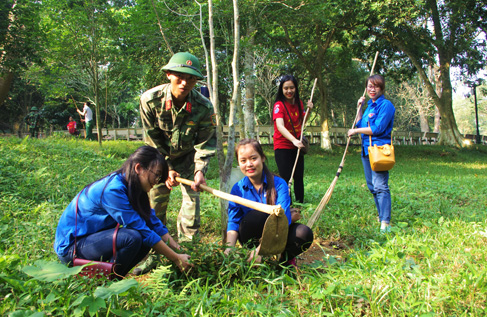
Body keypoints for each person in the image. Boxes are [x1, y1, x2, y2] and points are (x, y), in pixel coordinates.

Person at [54, 146, 192, 278]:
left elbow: (151, 220)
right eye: (156, 175)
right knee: (133, 237)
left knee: (144, 240)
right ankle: (106, 282)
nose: (156, 182)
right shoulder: (113, 190)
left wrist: (175, 247)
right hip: (71, 248)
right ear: (139, 168)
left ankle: (113, 278)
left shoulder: (133, 186)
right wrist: (176, 258)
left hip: (90, 240)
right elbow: (141, 229)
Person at [139, 52, 216, 273]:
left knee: (191, 208)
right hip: (156, 160)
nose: (185, 83)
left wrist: (200, 170)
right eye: (180, 76)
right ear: (169, 74)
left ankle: (190, 258)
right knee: (154, 208)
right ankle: (152, 255)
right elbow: (152, 140)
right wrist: (166, 168)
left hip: (189, 160)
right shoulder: (150, 100)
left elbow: (205, 143)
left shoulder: (204, 107)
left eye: (191, 78)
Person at [225, 139, 314, 266]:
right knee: (255, 216)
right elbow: (233, 222)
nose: (249, 164)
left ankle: (283, 260)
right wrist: (229, 249)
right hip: (251, 236)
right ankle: (253, 255)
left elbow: (283, 220)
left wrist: (261, 250)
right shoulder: (237, 189)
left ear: (262, 158)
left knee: (303, 233)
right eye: (243, 161)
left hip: (277, 232)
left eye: (253, 158)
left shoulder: (279, 184)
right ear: (239, 163)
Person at [347, 75, 395, 232]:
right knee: (372, 186)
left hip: (379, 150)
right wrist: (359, 108)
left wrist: (355, 131)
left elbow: (378, 129)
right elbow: (361, 123)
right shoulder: (369, 107)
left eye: (376, 86)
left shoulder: (386, 106)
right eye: (369, 86)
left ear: (381, 88)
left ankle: (385, 223)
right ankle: (381, 217)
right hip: (366, 150)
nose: (372, 89)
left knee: (380, 186)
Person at [272, 75, 313, 205]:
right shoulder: (279, 105)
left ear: (295, 88)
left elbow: (302, 122)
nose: (289, 91)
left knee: (298, 176)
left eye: (291, 88)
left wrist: (309, 110)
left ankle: (300, 202)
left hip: (297, 146)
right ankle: (286, 204)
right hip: (282, 146)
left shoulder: (299, 103)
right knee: (285, 178)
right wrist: (293, 140)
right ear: (281, 89)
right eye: (286, 88)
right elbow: (280, 126)